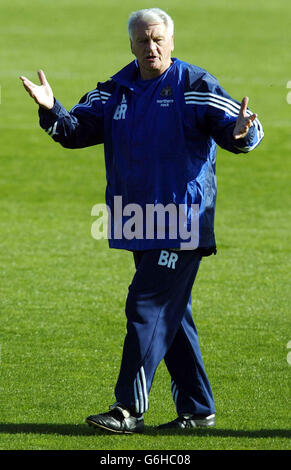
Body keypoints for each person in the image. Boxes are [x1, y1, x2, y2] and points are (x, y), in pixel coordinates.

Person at [20, 8, 264, 434]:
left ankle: (128, 409)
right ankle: (198, 409)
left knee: (146, 306)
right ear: (130, 44)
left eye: (157, 40)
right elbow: (74, 131)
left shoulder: (195, 85)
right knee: (172, 316)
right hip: (138, 220)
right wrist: (50, 108)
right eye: (142, 41)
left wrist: (244, 133)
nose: (150, 48)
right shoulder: (115, 90)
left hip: (183, 219)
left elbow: (236, 128)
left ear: (171, 42)